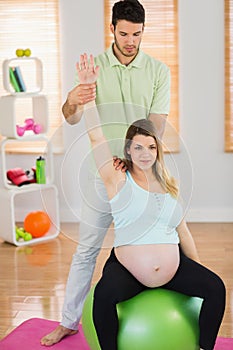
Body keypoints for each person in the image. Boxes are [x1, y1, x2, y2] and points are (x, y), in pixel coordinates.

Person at [41, 0, 171, 346]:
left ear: (144, 32)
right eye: (124, 33)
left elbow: (155, 126)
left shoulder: (158, 70)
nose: (130, 40)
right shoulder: (93, 67)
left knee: (157, 246)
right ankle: (68, 321)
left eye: (137, 34)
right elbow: (71, 116)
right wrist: (72, 97)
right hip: (102, 173)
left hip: (142, 172)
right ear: (112, 28)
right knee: (86, 249)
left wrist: (133, 159)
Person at [79, 54, 226, 350]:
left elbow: (182, 232)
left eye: (151, 146)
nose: (145, 153)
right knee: (103, 296)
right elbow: (96, 138)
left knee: (216, 288)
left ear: (157, 150)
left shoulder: (170, 184)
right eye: (138, 147)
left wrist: (197, 269)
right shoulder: (117, 178)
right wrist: (87, 91)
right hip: (129, 272)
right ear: (129, 151)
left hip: (173, 270)